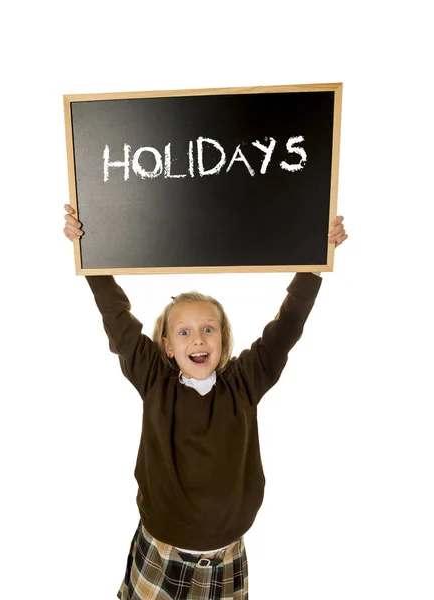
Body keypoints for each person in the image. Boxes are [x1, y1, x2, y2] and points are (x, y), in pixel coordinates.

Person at [63, 204, 348, 600]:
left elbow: (286, 329)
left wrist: (315, 263)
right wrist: (89, 253)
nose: (197, 339)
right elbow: (118, 319)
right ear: (166, 346)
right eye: (184, 332)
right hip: (162, 552)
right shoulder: (154, 378)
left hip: (227, 556)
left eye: (208, 329)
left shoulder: (245, 381)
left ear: (223, 340)